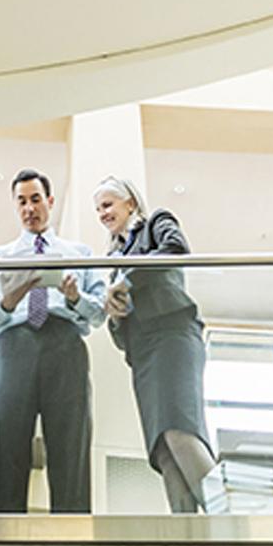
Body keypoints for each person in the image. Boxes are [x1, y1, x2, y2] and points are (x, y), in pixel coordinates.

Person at [0, 169, 105, 513]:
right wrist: (10, 298)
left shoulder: (79, 253)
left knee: (70, 443)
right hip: (14, 344)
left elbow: (98, 314)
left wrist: (75, 297)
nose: (29, 208)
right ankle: (1, 530)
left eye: (35, 199)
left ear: (50, 201)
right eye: (21, 202)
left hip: (65, 344)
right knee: (6, 442)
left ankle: (71, 530)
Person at [94, 175, 217, 515]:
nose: (103, 214)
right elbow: (121, 337)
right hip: (143, 353)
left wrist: (127, 281)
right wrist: (115, 315)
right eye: (98, 209)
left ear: (130, 203)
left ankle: (231, 521)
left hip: (172, 337)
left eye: (108, 205)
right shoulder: (114, 262)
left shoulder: (155, 223)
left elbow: (176, 249)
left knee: (180, 432)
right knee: (163, 449)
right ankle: (186, 534)